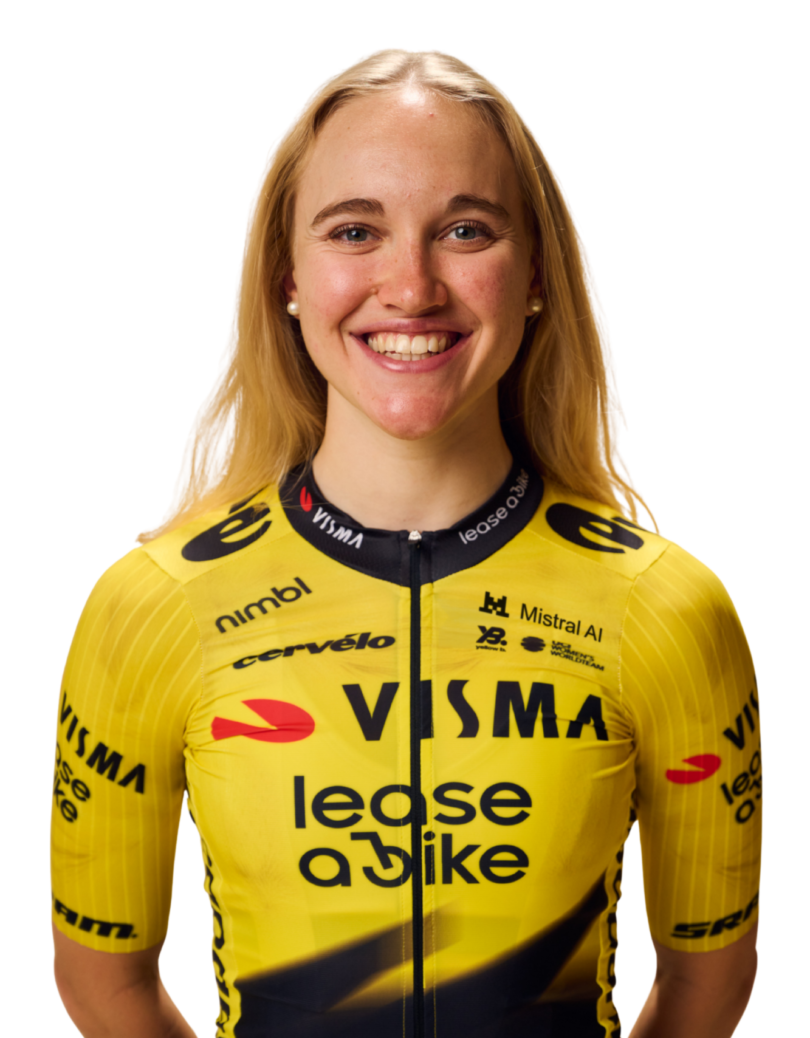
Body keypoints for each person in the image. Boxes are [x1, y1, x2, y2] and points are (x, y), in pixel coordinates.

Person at [50, 48, 762, 1038]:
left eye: (466, 230)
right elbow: (104, 986)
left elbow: (708, 984)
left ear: (536, 275)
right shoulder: (149, 607)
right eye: (356, 230)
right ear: (288, 278)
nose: (412, 287)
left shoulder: (669, 607)